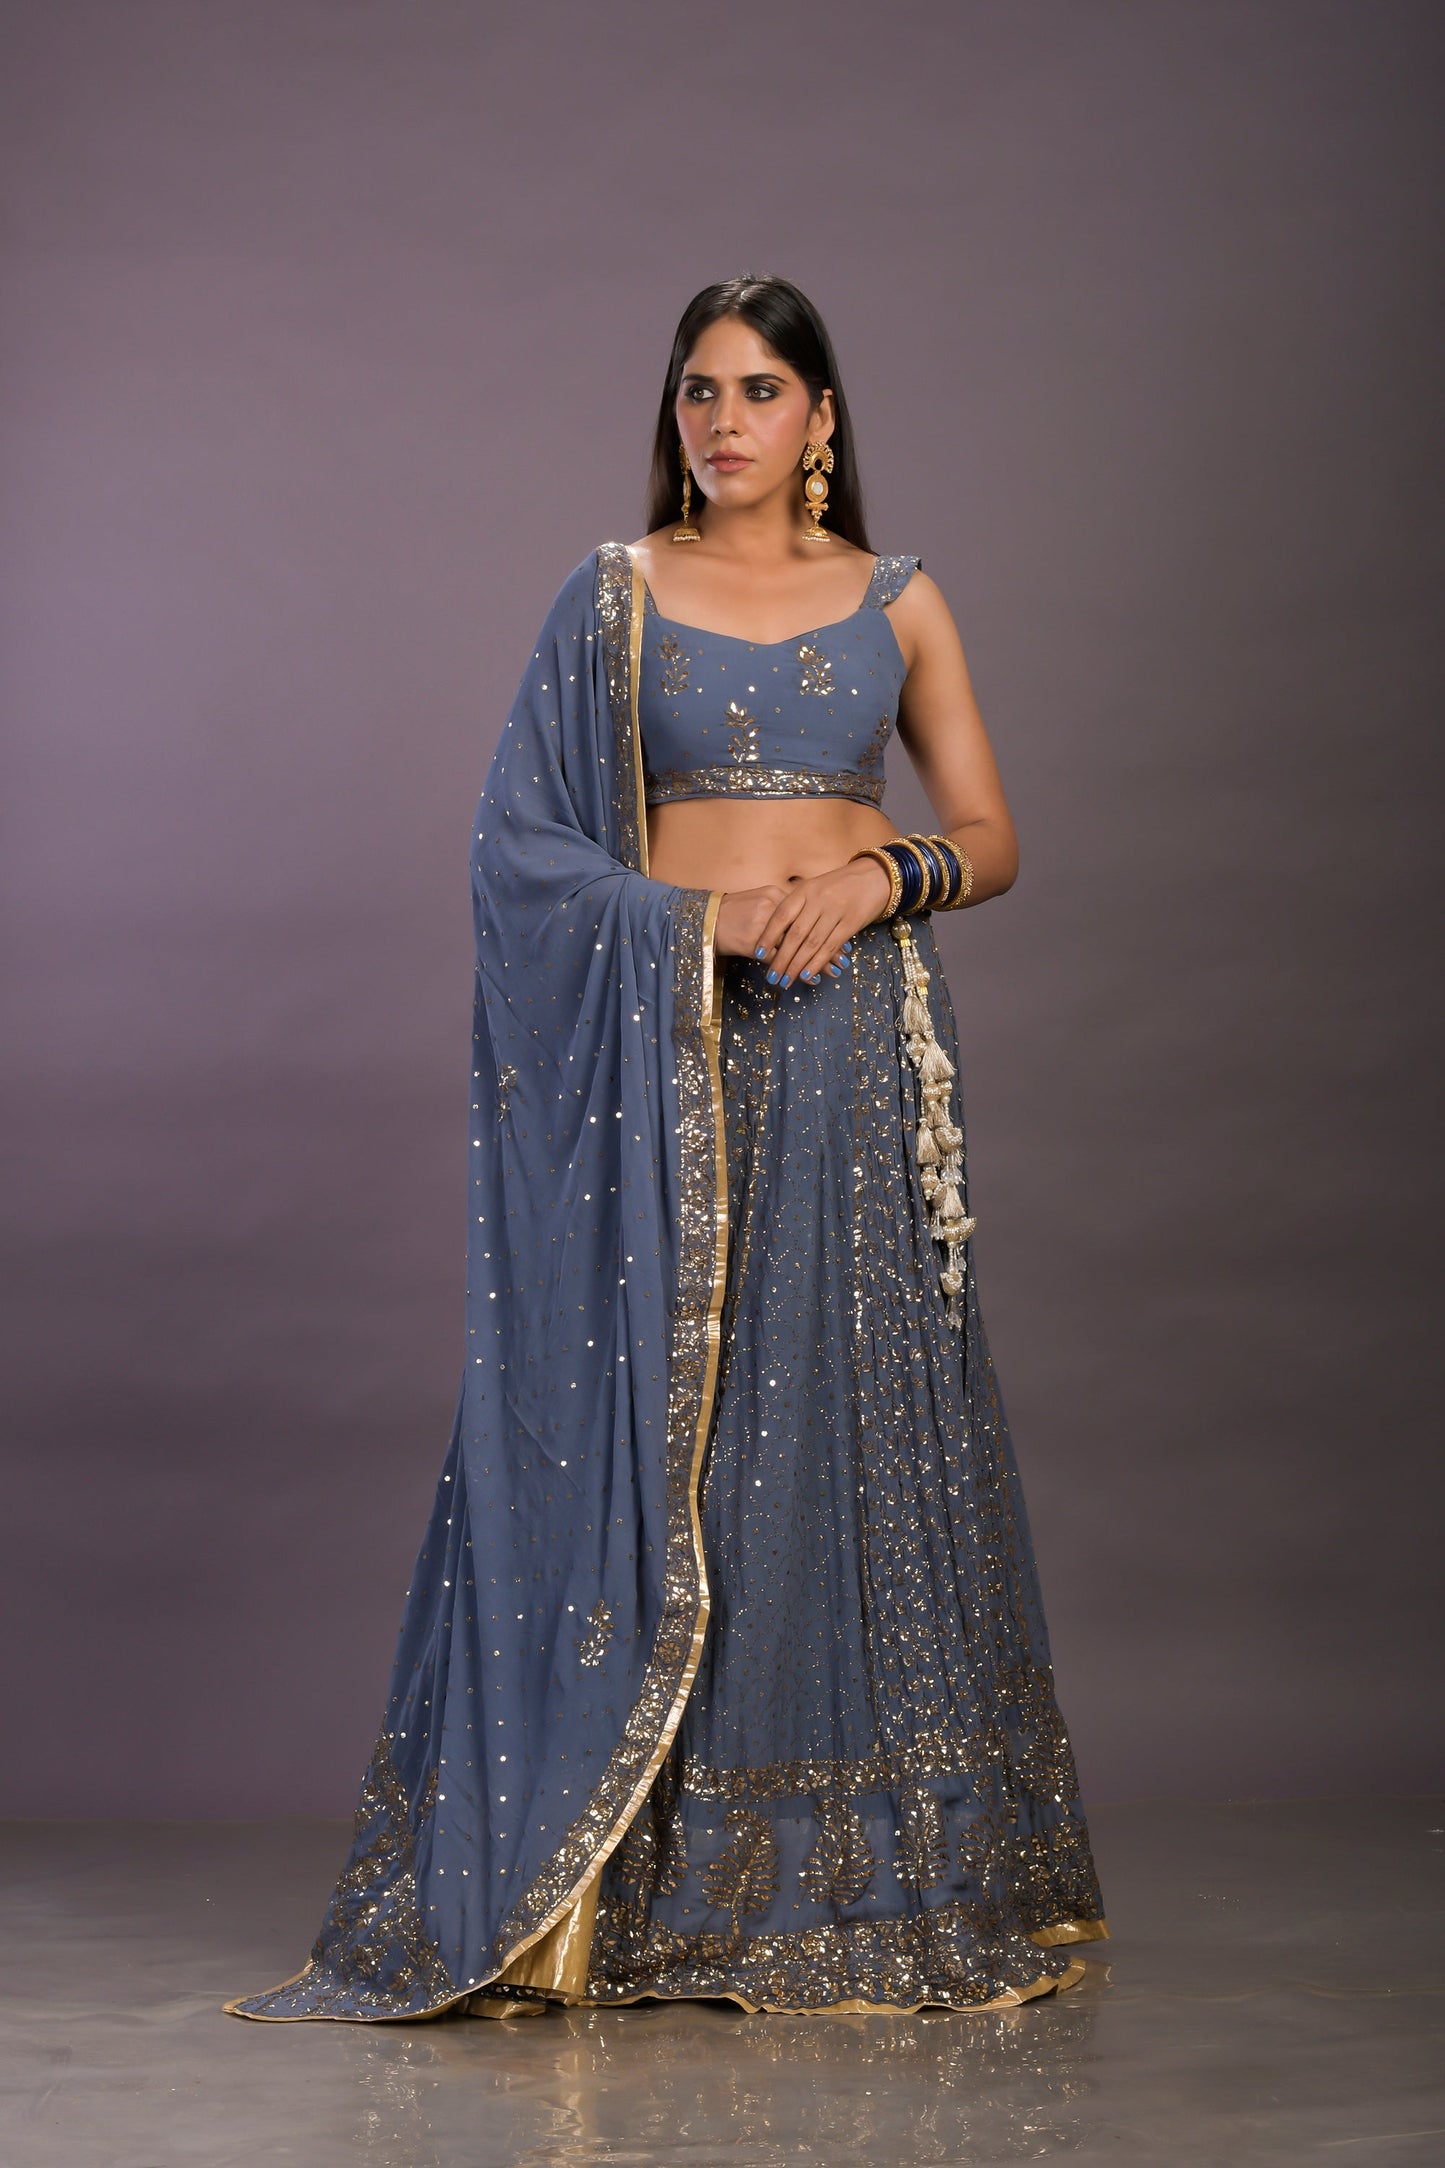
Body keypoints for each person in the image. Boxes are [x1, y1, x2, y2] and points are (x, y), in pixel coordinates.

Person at [225, 273, 1108, 2026]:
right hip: (673, 1053)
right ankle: (630, 1878)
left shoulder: (900, 599)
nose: (723, 420)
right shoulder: (610, 597)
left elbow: (992, 834)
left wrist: (880, 876)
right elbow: (517, 847)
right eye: (699, 389)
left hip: (852, 1045)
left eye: (760, 389)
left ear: (819, 418)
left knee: (842, 1427)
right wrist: (694, 925)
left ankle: (851, 1876)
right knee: (683, 1440)